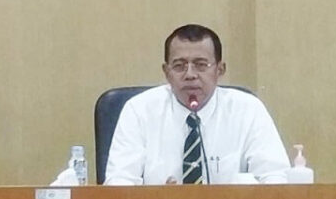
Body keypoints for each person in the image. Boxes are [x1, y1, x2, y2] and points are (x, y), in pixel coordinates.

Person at [104, 24, 291, 185]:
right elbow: (119, 182)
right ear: (166, 72)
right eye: (179, 66)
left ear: (220, 70)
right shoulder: (139, 111)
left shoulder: (248, 110)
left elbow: (275, 178)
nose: (190, 75)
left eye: (201, 65)